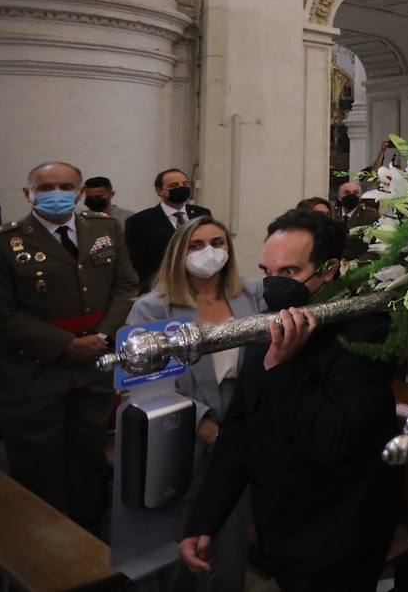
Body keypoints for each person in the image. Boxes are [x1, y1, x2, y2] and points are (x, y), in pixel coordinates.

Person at [181, 210, 401, 591]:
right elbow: (240, 428)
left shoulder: (368, 330)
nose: (272, 285)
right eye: (267, 271)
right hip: (279, 521)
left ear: (330, 270)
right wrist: (205, 520)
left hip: (340, 531)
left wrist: (282, 366)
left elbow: (333, 439)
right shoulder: (271, 320)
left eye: (289, 273)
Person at [0, 161, 138, 531]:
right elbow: (4, 313)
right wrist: (64, 345)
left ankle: (89, 545)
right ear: (27, 194)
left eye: (65, 186)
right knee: (38, 470)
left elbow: (125, 288)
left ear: (79, 193)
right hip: (33, 375)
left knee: (89, 462)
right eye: (45, 187)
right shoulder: (7, 241)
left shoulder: (105, 229)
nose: (55, 193)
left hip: (93, 370)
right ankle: (43, 555)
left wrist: (104, 336)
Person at [129, 217, 265, 592]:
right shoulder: (152, 309)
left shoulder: (249, 294)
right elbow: (145, 384)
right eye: (196, 245)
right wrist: (206, 428)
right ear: (178, 253)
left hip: (239, 423)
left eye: (218, 242)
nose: (209, 252)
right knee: (177, 539)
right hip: (180, 428)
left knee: (230, 534)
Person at [125, 169, 213, 288]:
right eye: (174, 185)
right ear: (159, 191)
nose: (181, 188)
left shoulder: (202, 213)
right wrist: (160, 284)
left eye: (185, 184)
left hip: (201, 284)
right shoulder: (139, 221)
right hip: (160, 287)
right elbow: (137, 262)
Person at [335, 180, 381, 261]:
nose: (351, 195)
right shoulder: (332, 214)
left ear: (360, 197)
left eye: (356, 193)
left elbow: (376, 246)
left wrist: (355, 264)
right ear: (339, 197)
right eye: (347, 192)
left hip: (359, 266)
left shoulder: (372, 216)